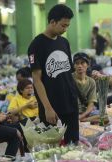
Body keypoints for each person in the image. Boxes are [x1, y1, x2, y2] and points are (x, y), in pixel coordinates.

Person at [27, 4, 79, 145]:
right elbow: (37, 80)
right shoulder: (36, 45)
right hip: (52, 105)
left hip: (70, 102)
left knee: (73, 144)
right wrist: (48, 108)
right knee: (51, 147)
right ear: (52, 22)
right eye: (63, 25)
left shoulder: (64, 43)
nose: (65, 29)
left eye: (67, 26)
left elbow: (69, 73)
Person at [72, 52, 97, 121]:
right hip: (72, 113)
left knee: (105, 115)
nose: (79, 66)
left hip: (86, 113)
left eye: (82, 63)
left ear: (88, 65)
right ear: (74, 65)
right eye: (77, 63)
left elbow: (91, 104)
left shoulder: (91, 82)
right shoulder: (69, 80)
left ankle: (82, 120)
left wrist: (82, 116)